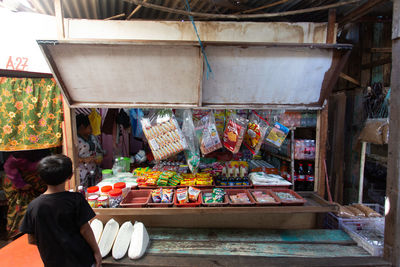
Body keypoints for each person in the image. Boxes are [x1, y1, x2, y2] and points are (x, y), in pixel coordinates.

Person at [20, 154, 102, 267]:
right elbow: (85, 230)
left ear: (41, 177)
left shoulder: (34, 206)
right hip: (81, 260)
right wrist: (97, 252)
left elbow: (32, 239)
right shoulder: (76, 199)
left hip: (52, 262)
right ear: (70, 176)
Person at [3, 150, 48, 239]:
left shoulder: (40, 153)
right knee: (21, 209)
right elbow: (9, 167)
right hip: (20, 188)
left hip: (30, 188)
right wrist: (20, 184)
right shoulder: (15, 158)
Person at [76, 114, 104, 188]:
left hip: (94, 171)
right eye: (89, 127)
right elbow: (70, 157)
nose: (91, 129)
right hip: (82, 175)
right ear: (82, 127)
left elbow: (98, 150)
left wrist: (99, 157)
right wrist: (83, 160)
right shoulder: (75, 140)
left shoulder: (92, 137)